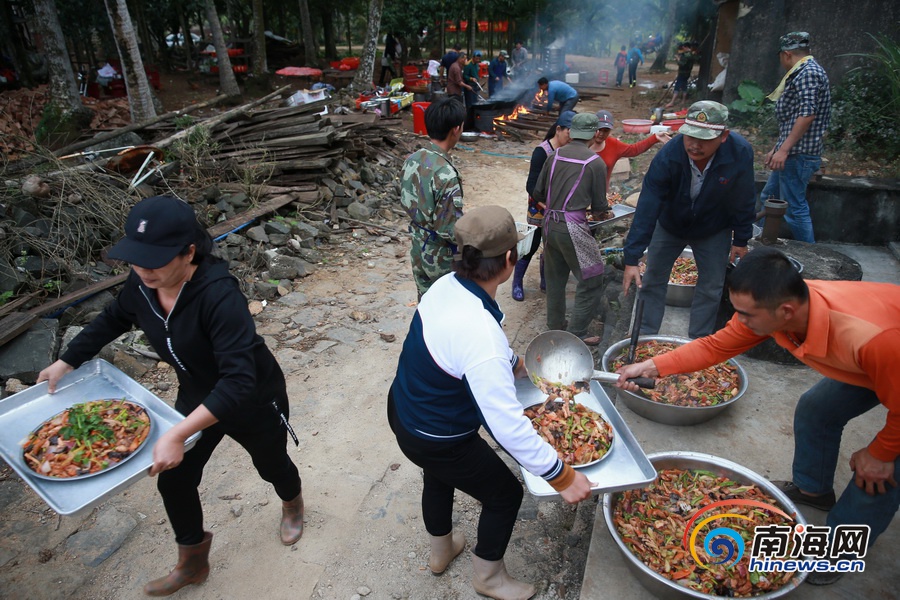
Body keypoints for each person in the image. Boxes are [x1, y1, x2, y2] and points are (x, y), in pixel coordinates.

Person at [36, 196, 304, 596]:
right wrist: (67, 361)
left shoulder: (219, 296)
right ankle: (192, 561)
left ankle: (292, 504)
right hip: (195, 393)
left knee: (271, 463)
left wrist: (178, 434)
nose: (142, 269)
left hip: (251, 397)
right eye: (135, 259)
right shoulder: (143, 283)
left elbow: (238, 380)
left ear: (189, 252)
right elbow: (112, 317)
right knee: (174, 480)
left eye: (154, 260)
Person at [615, 247, 900, 586]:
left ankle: (836, 551)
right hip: (875, 366)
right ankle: (813, 491)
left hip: (887, 353)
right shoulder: (779, 307)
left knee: (880, 475)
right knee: (816, 409)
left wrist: (881, 452)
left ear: (786, 311)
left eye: (745, 315)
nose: (740, 321)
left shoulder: (872, 339)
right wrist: (652, 366)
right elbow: (715, 346)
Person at [388, 205, 594, 600]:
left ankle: (441, 551)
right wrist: (562, 476)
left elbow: (466, 347)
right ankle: (488, 578)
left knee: (439, 474)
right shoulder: (479, 334)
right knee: (505, 493)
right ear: (510, 261)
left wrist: (516, 365)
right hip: (438, 434)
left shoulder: (446, 285)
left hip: (405, 412)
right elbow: (506, 425)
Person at [621, 101, 756, 339]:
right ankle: (644, 336)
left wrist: (741, 238)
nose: (694, 145)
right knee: (652, 278)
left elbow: (743, 196)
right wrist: (632, 257)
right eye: (690, 136)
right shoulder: (669, 156)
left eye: (703, 139)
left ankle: (699, 341)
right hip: (670, 223)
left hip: (715, 226)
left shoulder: (740, 153)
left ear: (723, 136)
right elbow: (648, 206)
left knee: (711, 286)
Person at [532, 113, 609, 345]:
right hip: (573, 227)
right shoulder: (595, 162)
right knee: (593, 278)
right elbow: (599, 207)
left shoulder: (553, 156)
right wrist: (600, 214)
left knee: (555, 277)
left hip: (549, 224)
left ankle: (555, 325)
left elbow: (538, 192)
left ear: (572, 131)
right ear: (595, 133)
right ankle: (577, 333)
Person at [760, 31, 831, 244]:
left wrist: (784, 150)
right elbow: (793, 118)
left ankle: (811, 255)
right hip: (791, 151)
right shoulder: (803, 71)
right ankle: (758, 242)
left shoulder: (808, 73)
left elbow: (807, 115)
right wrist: (777, 147)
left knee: (794, 207)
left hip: (798, 154)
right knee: (768, 198)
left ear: (787, 54)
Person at [399, 96, 467, 298]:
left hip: (418, 244)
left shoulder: (413, 158)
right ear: (455, 129)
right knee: (446, 307)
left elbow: (405, 200)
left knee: (426, 303)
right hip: (440, 255)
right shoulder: (446, 173)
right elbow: (448, 228)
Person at [512, 110, 575, 302]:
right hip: (539, 208)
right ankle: (517, 282)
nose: (571, 138)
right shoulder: (542, 152)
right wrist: (545, 206)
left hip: (558, 207)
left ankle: (545, 280)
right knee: (531, 245)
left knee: (551, 246)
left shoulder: (567, 151)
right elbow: (531, 186)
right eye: (569, 133)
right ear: (558, 129)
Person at [588, 109, 670, 190]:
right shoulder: (582, 142)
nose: (601, 134)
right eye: (599, 129)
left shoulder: (613, 144)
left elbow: (634, 149)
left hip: (601, 194)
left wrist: (654, 138)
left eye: (606, 130)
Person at [665, 42, 696, 109]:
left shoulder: (686, 55)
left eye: (683, 48)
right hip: (687, 73)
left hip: (682, 73)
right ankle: (683, 101)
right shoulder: (692, 54)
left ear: (685, 47)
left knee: (677, 87)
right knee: (684, 86)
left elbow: (682, 64)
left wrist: (678, 59)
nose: (683, 49)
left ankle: (672, 102)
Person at [463, 51, 483, 129]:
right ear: (473, 57)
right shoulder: (468, 65)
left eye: (479, 58)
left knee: (475, 104)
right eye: (477, 58)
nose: (478, 59)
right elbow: (465, 76)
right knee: (470, 106)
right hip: (469, 87)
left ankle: (474, 122)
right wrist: (471, 78)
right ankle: (469, 125)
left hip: (475, 86)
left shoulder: (476, 64)